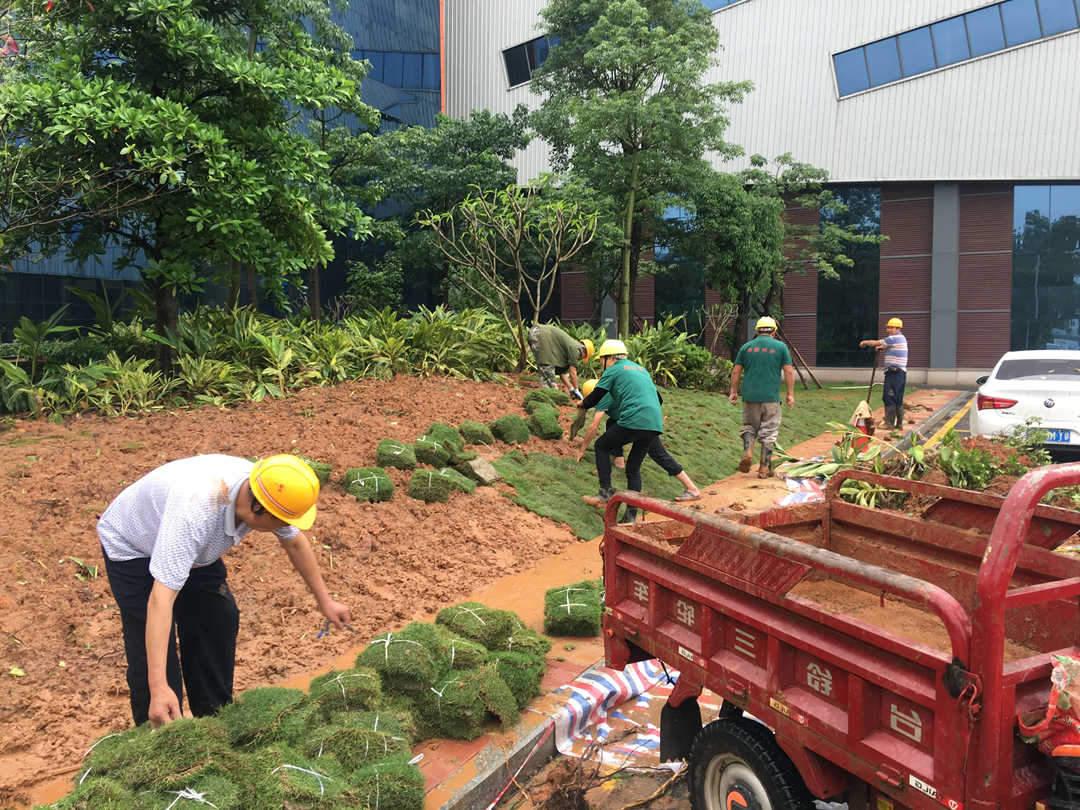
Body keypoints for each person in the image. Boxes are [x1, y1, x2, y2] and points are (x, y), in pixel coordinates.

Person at [97, 454, 350, 728]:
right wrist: (159, 688)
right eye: (282, 521)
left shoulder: (269, 487)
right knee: (156, 657)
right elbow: (160, 599)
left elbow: (296, 544)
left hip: (195, 550)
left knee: (218, 617)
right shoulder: (197, 511)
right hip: (134, 545)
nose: (285, 527)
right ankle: (158, 730)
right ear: (258, 509)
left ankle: (214, 719)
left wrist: (325, 601)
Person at [577, 340, 665, 521]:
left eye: (602, 360)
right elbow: (658, 398)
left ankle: (605, 492)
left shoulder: (614, 369)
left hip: (634, 418)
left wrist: (583, 404)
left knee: (601, 445)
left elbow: (597, 394)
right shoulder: (641, 370)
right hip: (654, 422)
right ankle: (631, 516)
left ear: (608, 358)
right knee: (633, 468)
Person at [574, 378, 701, 501]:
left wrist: (582, 449)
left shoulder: (603, 397)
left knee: (659, 454)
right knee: (611, 425)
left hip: (640, 423)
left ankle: (692, 489)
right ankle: (619, 462)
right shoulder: (615, 389)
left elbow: (593, 426)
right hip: (642, 418)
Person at [729, 316, 795, 479]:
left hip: (750, 397)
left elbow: (736, 371)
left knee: (749, 427)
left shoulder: (746, 347)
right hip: (771, 398)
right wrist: (790, 394)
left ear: (757, 330)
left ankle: (748, 451)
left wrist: (733, 391)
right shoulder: (780, 347)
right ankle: (764, 468)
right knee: (769, 431)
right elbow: (788, 371)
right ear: (774, 331)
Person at [860, 316, 908, 431]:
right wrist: (881, 347)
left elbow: (876, 342)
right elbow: (884, 345)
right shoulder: (900, 339)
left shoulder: (895, 338)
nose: (888, 330)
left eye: (891, 328)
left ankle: (889, 423)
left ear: (898, 328)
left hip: (894, 374)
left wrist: (864, 342)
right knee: (898, 398)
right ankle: (899, 424)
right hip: (899, 373)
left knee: (888, 397)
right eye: (888, 328)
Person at [528, 323, 593, 400]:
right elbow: (573, 372)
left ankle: (546, 396)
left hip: (535, 332)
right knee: (550, 382)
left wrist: (571, 388)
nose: (580, 359)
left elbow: (562, 373)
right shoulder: (576, 349)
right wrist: (576, 389)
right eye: (583, 357)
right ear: (584, 351)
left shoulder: (569, 346)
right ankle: (549, 399)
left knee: (545, 371)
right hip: (541, 335)